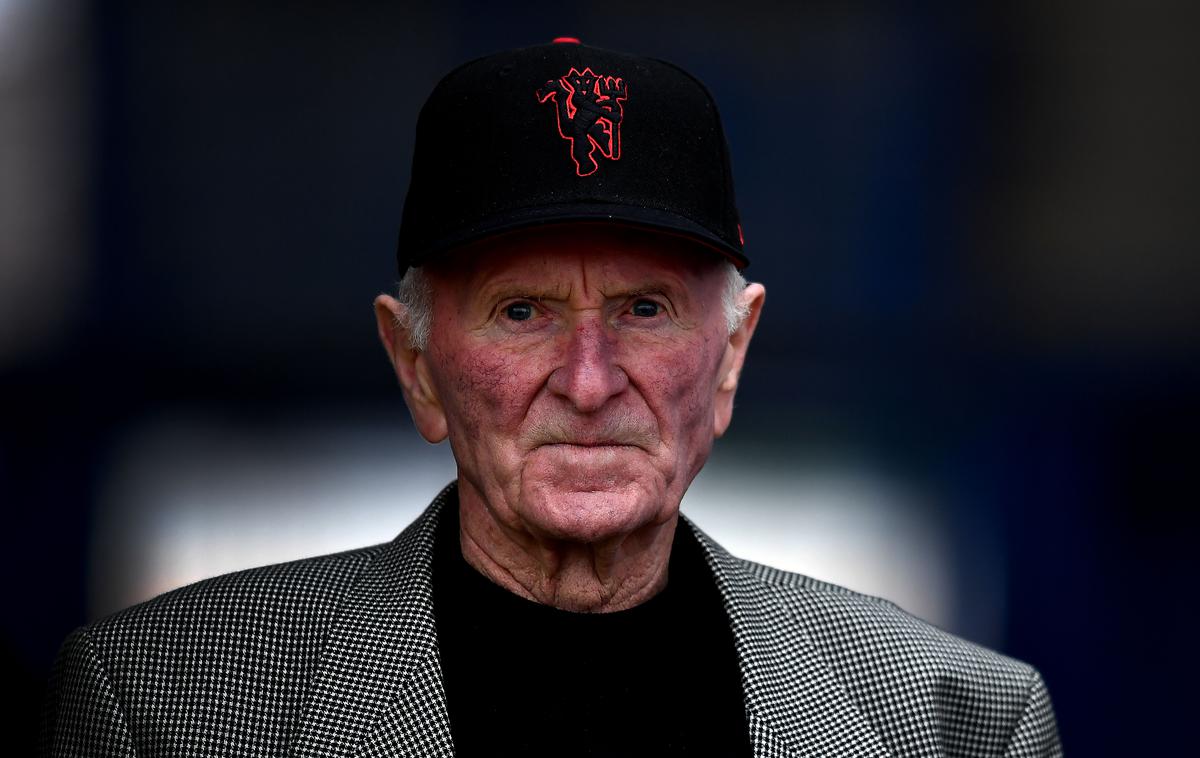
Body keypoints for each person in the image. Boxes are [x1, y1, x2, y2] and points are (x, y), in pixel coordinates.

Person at [41, 39, 1062, 757]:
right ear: (414, 362)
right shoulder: (167, 709)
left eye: (645, 309)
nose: (586, 379)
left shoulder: (954, 722)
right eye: (522, 310)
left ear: (734, 352)